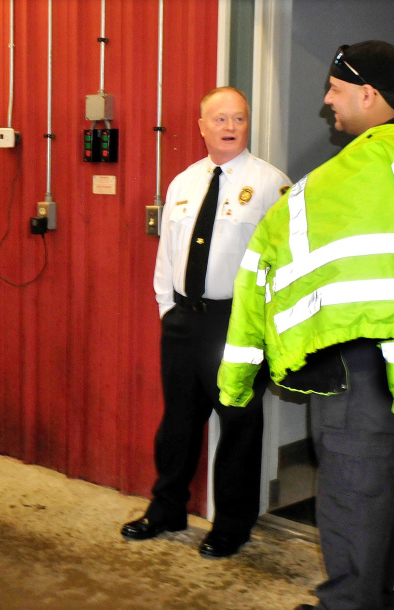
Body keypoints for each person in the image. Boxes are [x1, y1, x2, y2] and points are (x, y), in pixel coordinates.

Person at [217, 41, 394, 610]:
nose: (326, 101)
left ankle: (348, 603)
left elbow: (264, 269)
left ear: (368, 93)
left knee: (350, 500)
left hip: (356, 366)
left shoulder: (350, 174)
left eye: (335, 89)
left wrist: (238, 379)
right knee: (385, 500)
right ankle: (373, 598)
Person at [122, 87, 290, 559]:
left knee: (238, 424)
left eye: (239, 118)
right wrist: (166, 309)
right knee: (177, 421)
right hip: (182, 320)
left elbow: (282, 263)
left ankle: (233, 525)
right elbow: (167, 255)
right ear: (201, 126)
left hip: (235, 323)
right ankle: (167, 508)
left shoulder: (271, 184)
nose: (230, 127)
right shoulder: (183, 182)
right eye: (220, 119)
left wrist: (260, 327)